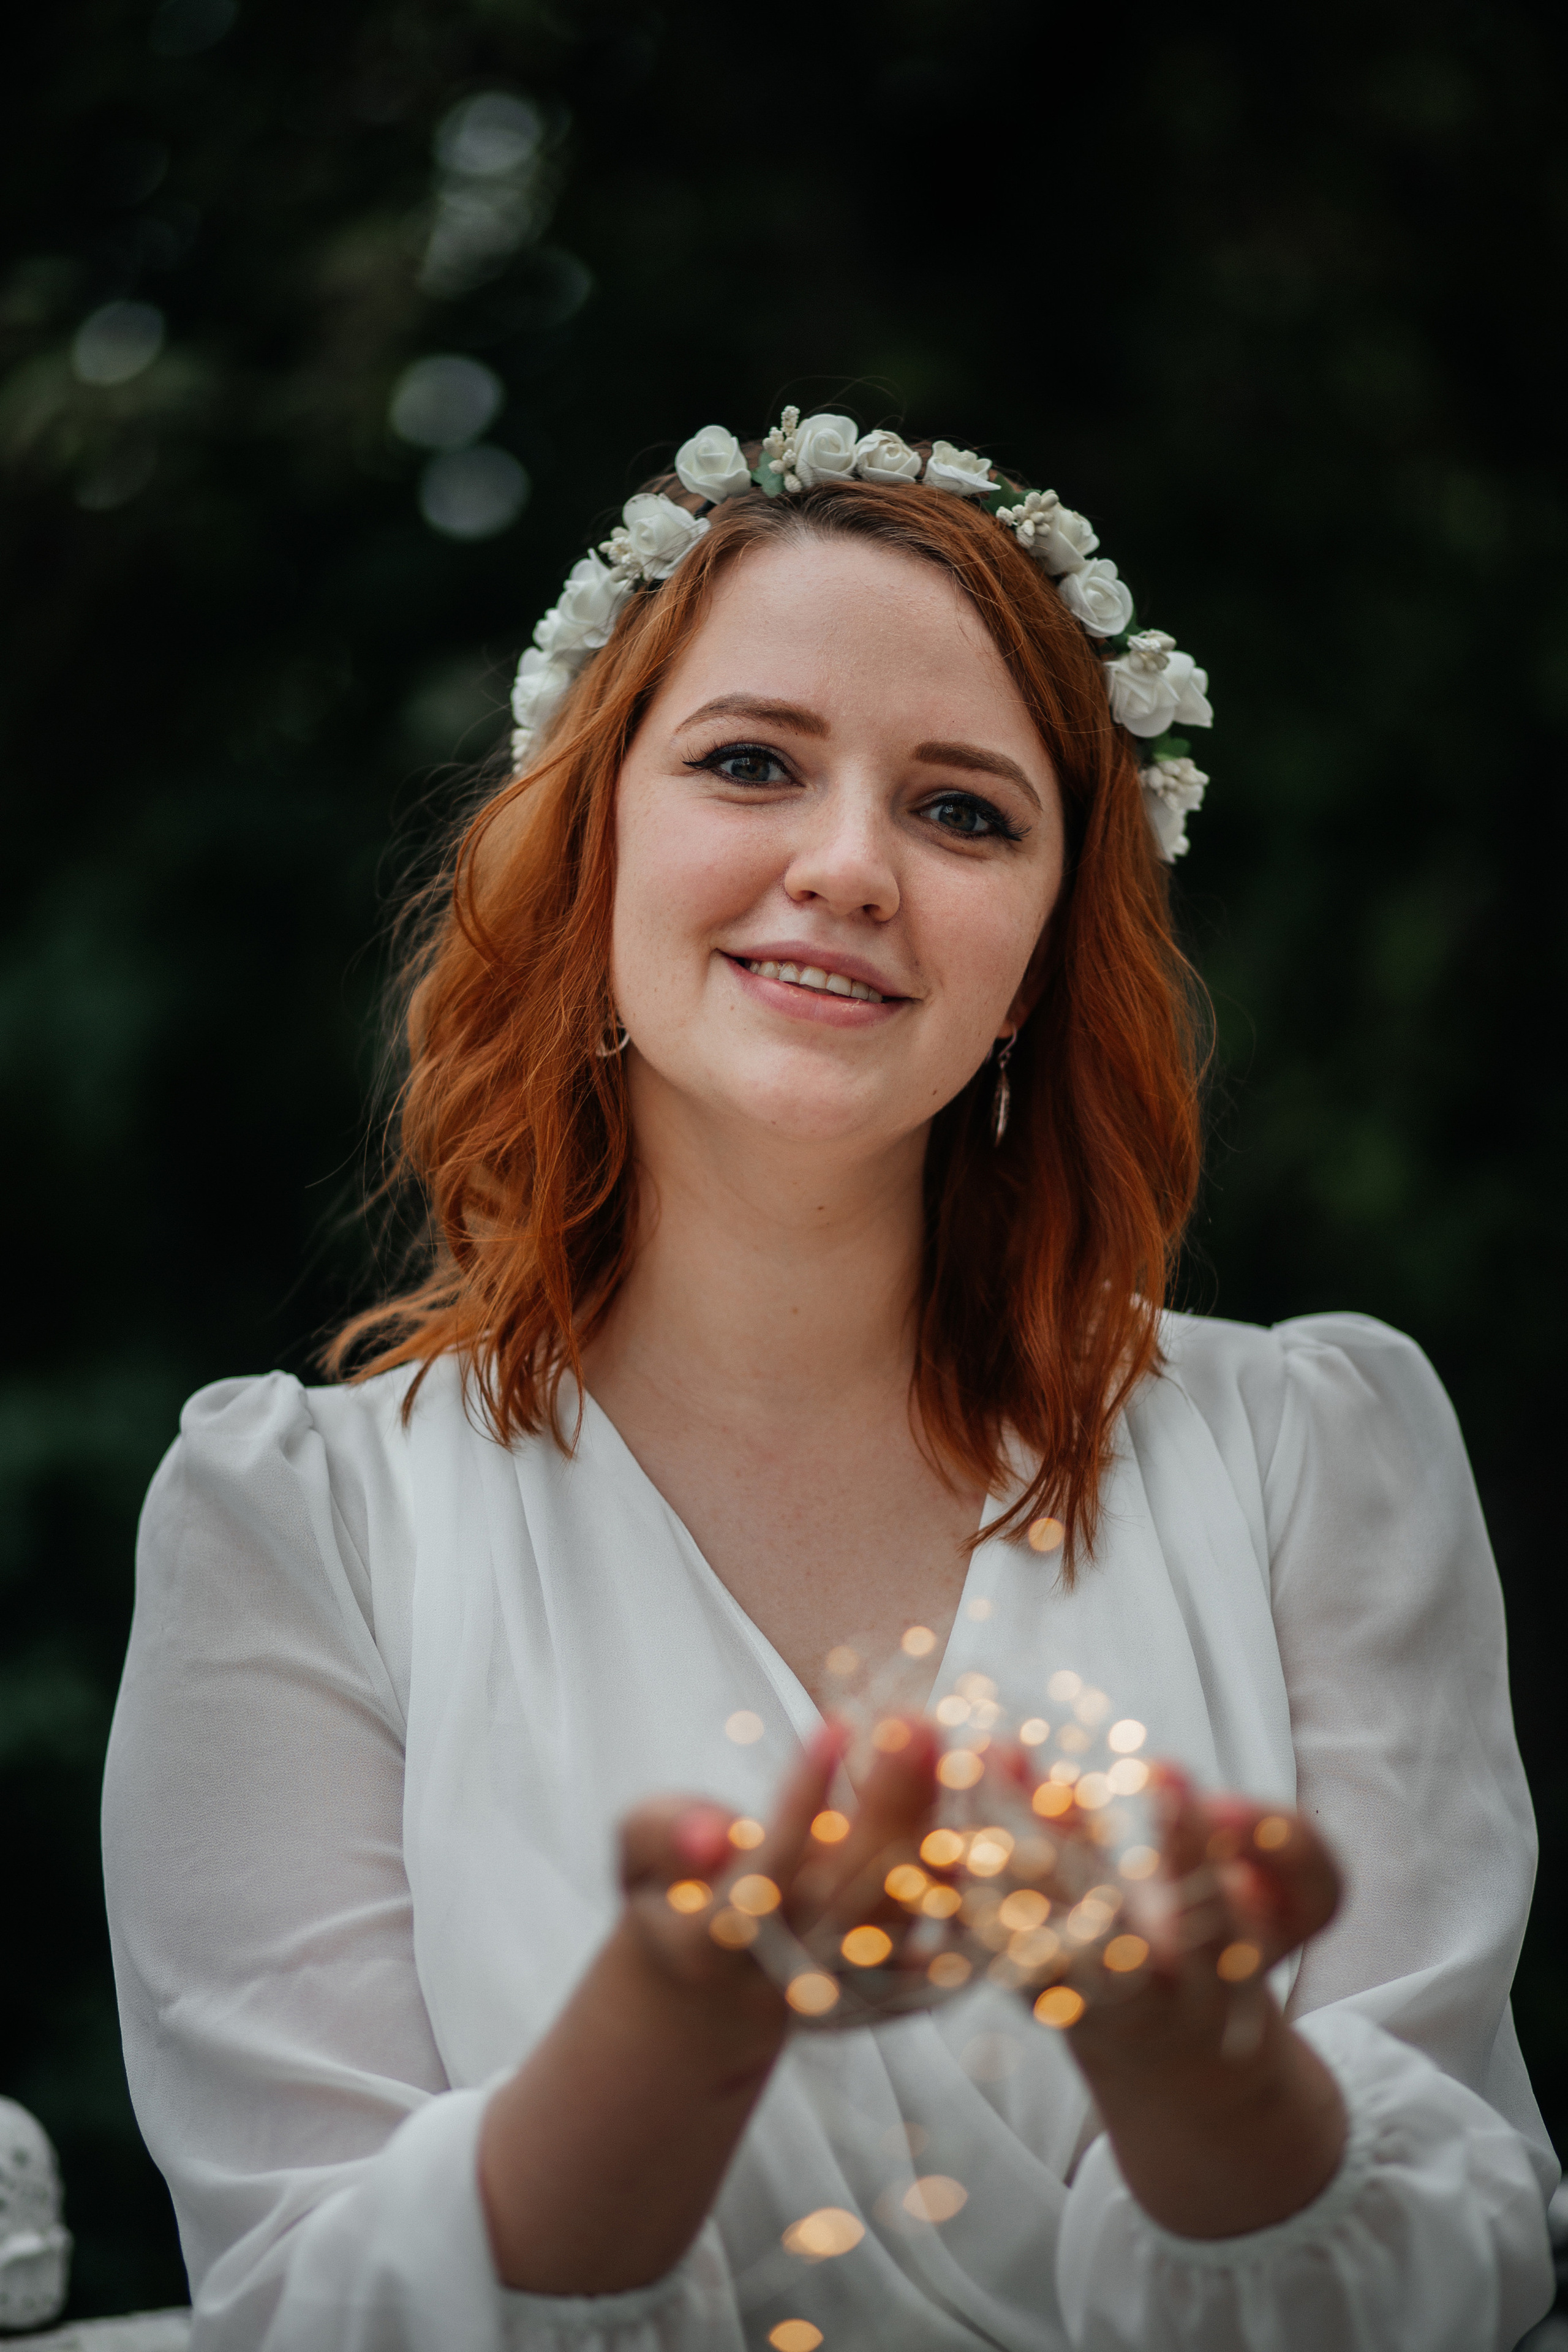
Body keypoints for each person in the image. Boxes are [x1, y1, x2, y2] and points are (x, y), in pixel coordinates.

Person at [103, 408, 1556, 2351]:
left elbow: (1454, 2268)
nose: (851, 866)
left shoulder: (1317, 1460)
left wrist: (1187, 2048)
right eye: (751, 764)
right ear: (591, 837)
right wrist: (684, 2013)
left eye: (965, 811)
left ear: (1042, 950)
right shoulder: (300, 1525)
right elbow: (307, 2300)